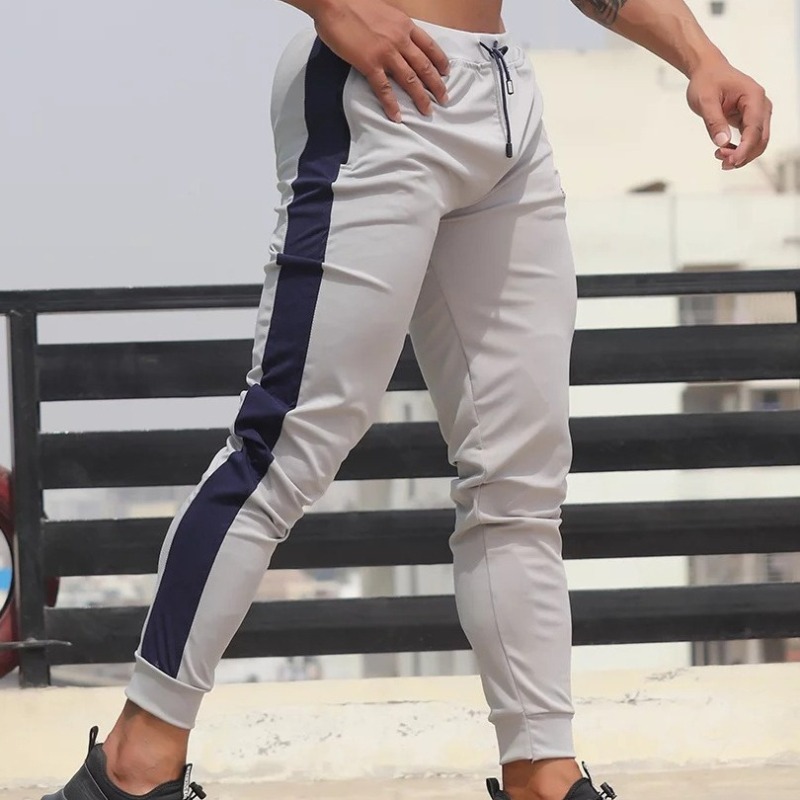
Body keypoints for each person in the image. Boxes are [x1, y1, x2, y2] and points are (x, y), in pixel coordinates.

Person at [44, 2, 771, 800]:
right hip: (379, 89)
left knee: (520, 479)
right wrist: (336, 9)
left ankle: (543, 773)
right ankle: (134, 767)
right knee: (286, 445)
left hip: (504, 104)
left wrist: (700, 56)